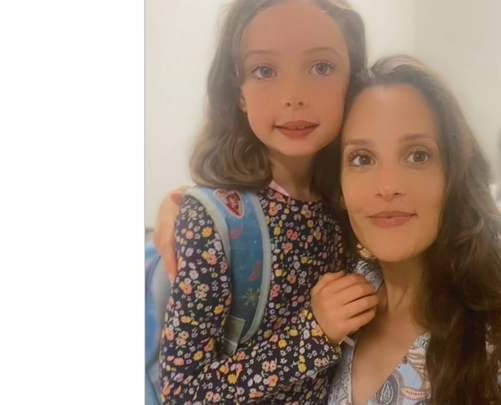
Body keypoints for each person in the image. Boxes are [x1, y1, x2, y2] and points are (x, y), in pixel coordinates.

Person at [155, 1, 380, 404]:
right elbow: (183, 393)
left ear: (353, 81)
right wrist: (313, 333)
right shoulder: (215, 221)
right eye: (264, 70)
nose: (294, 96)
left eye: (321, 67)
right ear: (238, 92)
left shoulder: (348, 200)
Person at [323, 55, 501, 405]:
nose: (387, 187)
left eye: (417, 155)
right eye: (362, 159)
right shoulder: (341, 299)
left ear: (454, 174)